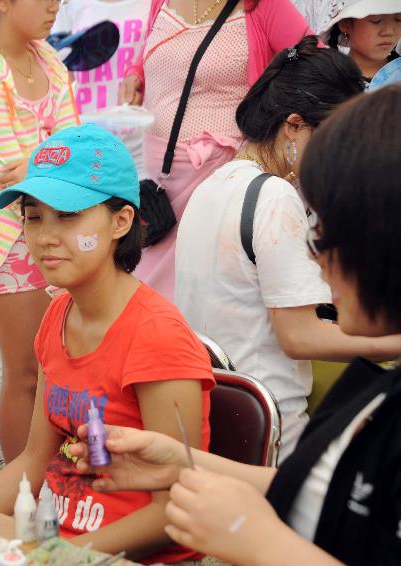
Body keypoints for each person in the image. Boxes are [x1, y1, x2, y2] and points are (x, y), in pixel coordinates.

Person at [71, 86, 401, 566]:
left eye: (328, 233)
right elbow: (322, 491)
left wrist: (259, 540)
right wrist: (181, 461)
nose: (316, 257)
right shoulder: (372, 386)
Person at [0, 124, 214, 561]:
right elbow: (35, 458)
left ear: (121, 221)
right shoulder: (57, 314)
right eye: (33, 216)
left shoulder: (158, 336)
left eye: (68, 216)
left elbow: (176, 506)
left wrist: (62, 554)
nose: (45, 237)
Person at [175, 36, 401, 459]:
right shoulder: (273, 196)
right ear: (294, 126)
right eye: (332, 137)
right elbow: (299, 337)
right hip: (273, 426)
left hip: (220, 408)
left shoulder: (215, 184)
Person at [0, 0, 80, 462]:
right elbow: (17, 179)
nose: (55, 7)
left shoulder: (46, 58)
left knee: (61, 367)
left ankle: (56, 481)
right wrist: (55, 156)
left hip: (54, 229)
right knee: (27, 371)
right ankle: (21, 490)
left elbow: (75, 150)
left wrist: (42, 158)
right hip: (5, 240)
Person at [120, 0, 312, 301]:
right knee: (152, 296)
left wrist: (278, 122)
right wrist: (136, 74)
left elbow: (316, 65)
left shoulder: (264, 5)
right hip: (161, 181)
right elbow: (160, 53)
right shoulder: (162, 1)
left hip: (223, 181)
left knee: (210, 297)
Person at [51, 0, 150, 171]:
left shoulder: (153, 4)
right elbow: (59, 79)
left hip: (140, 152)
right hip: (85, 150)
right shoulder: (69, 6)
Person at [316, 0, 400, 83]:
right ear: (346, 24)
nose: (389, 31)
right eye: (376, 20)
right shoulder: (328, 81)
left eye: (398, 19)